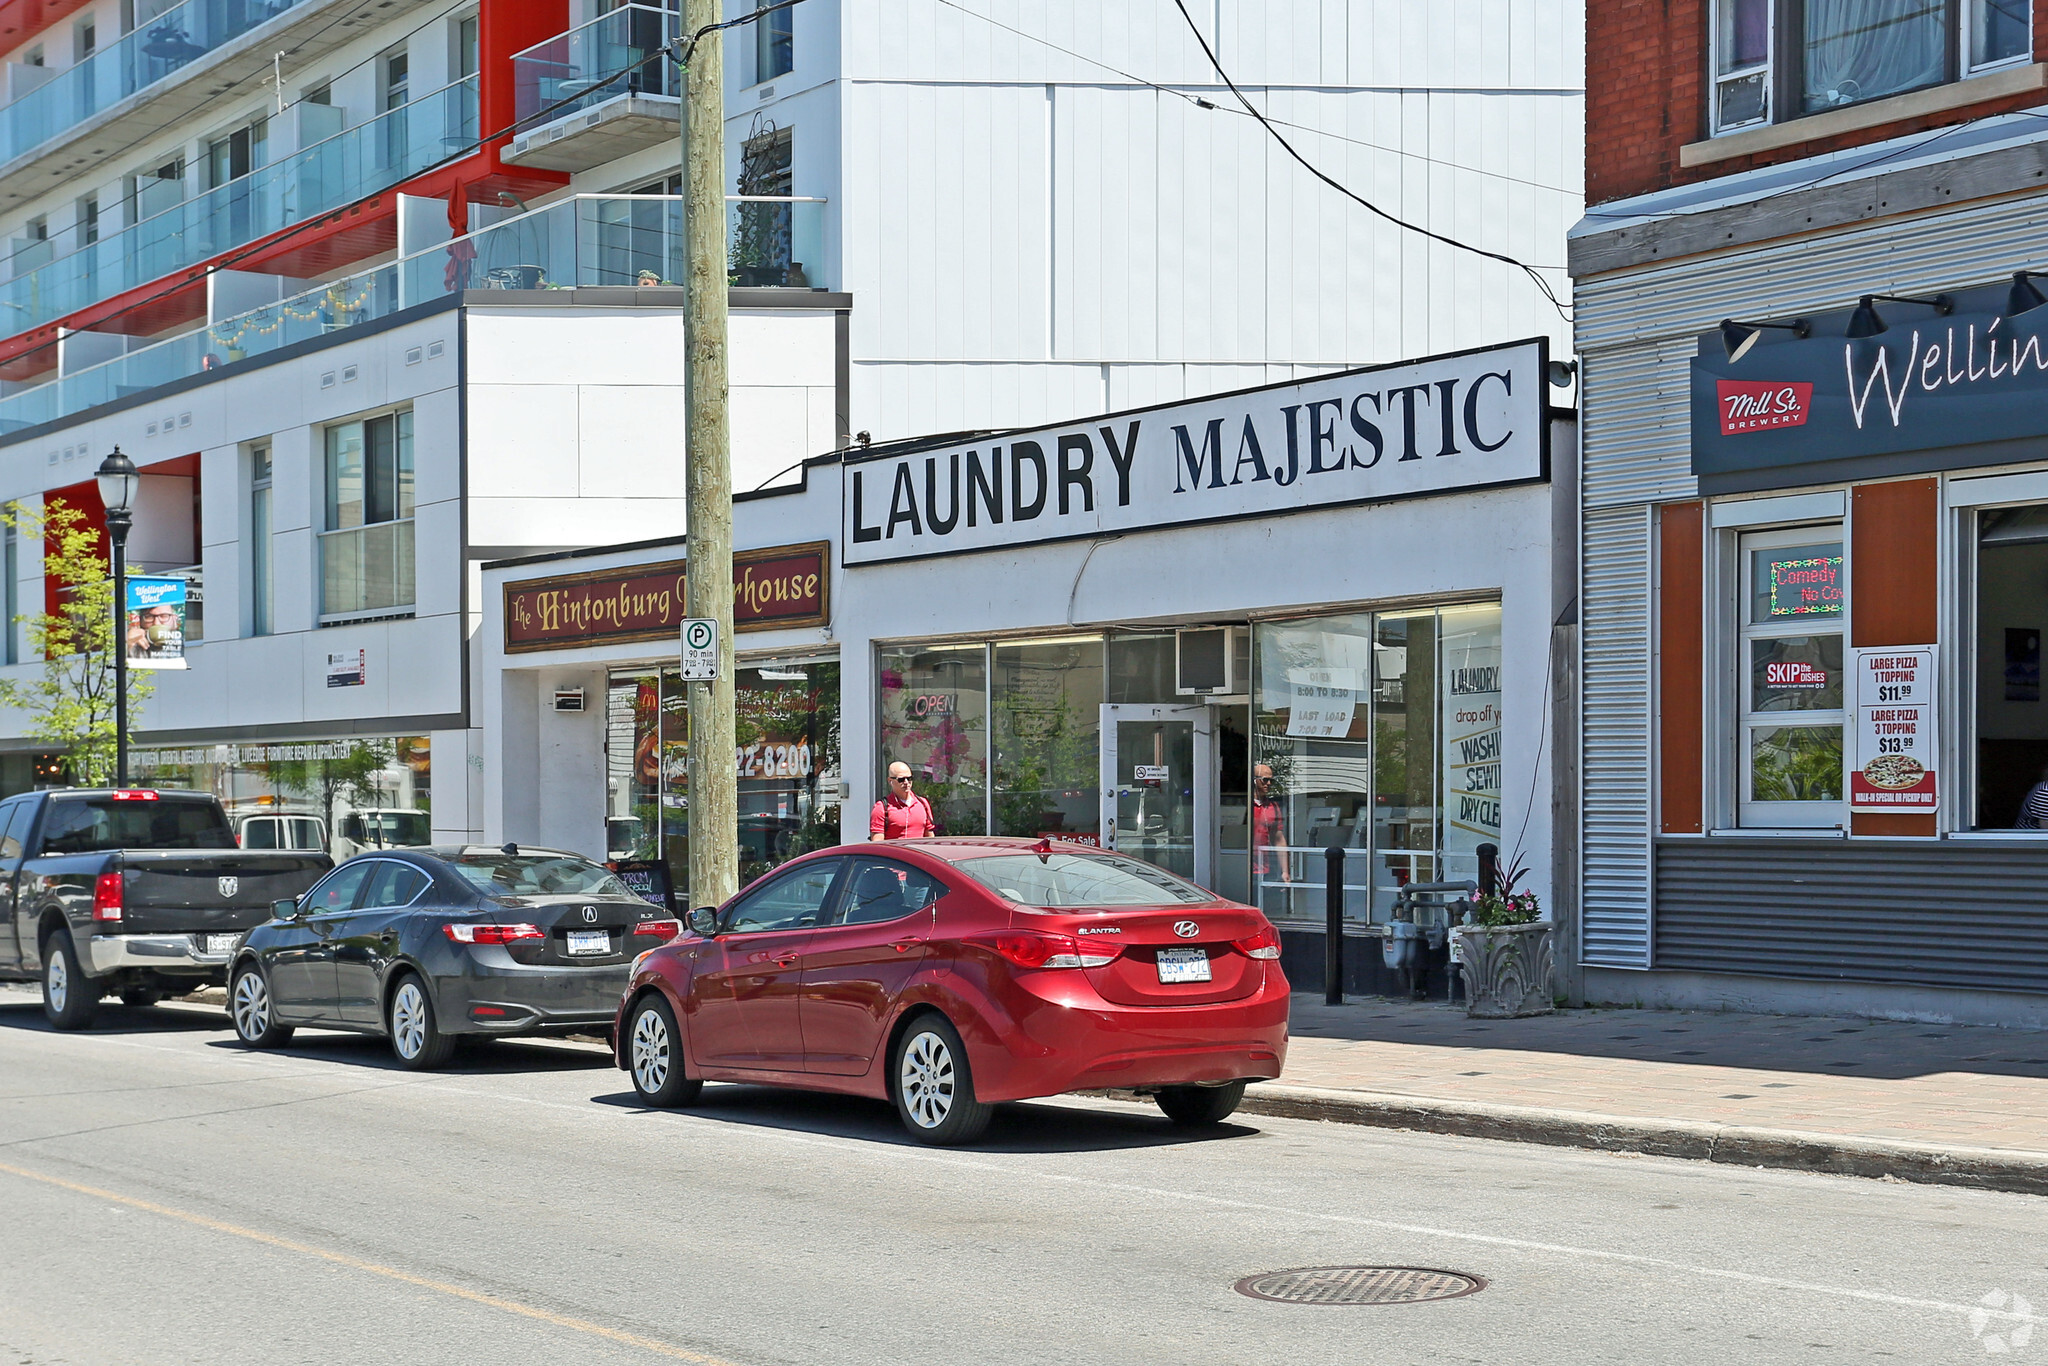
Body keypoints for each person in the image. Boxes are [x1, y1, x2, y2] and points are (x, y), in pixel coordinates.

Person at [1251, 763, 1289, 912]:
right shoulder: (1246, 804)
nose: (1268, 784)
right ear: (1254, 780)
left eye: (1271, 781)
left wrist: (1285, 871)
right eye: (1264, 780)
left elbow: (1278, 839)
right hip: (1246, 869)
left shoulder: (1272, 806)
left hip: (1267, 869)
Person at [870, 762, 937, 841]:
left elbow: (929, 836)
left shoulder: (922, 803)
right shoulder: (882, 807)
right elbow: (877, 843)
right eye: (901, 779)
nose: (906, 782)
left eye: (909, 779)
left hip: (917, 852)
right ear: (890, 781)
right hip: (894, 853)